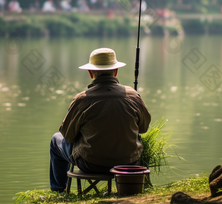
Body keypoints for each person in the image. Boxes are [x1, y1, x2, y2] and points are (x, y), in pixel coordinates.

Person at [49, 47, 151, 192]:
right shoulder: (133, 95)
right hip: (130, 163)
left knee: (56, 139)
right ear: (116, 71)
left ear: (91, 73)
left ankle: (58, 190)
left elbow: (68, 136)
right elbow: (143, 128)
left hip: (90, 164)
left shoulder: (81, 99)